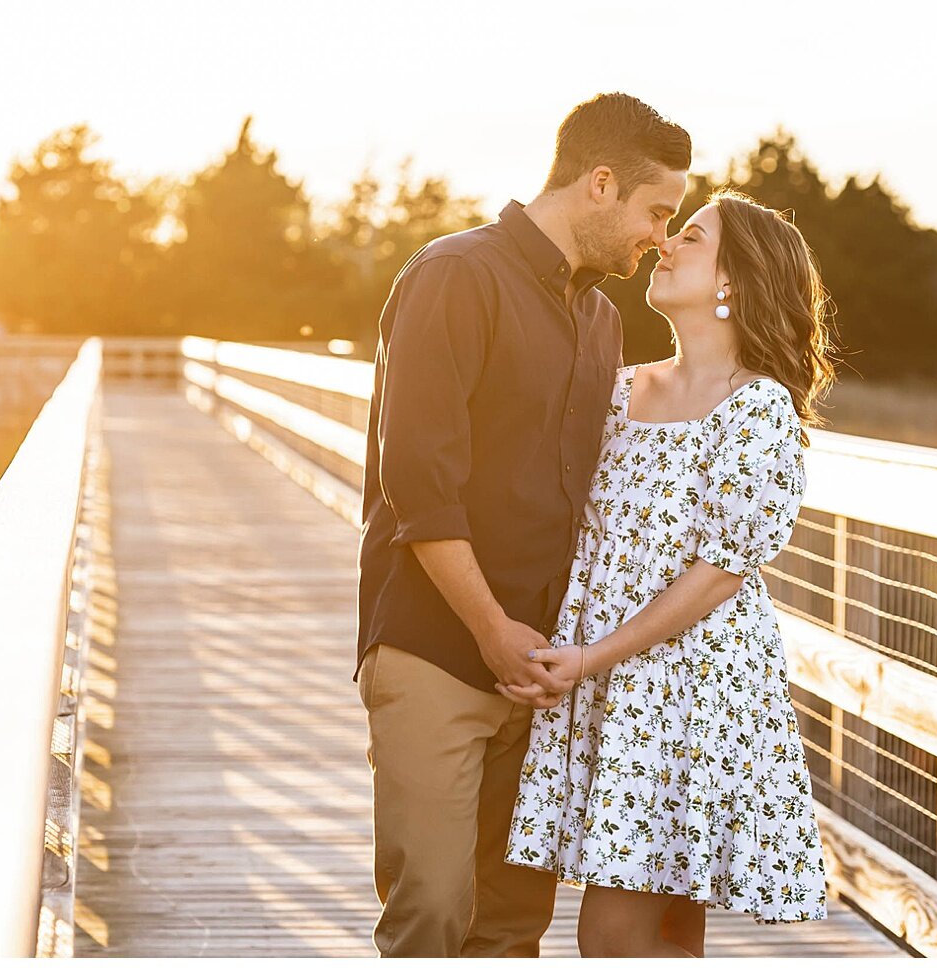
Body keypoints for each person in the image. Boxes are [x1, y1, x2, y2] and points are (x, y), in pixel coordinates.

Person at [354, 93, 692, 957]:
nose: (661, 237)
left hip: (544, 672)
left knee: (511, 927)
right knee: (431, 907)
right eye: (658, 213)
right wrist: (491, 630)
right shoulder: (455, 274)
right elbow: (420, 485)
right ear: (600, 183)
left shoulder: (602, 319)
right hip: (438, 647)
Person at [499, 189, 840, 957]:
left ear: (735, 281)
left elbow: (722, 570)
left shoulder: (757, 409)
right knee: (662, 910)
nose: (665, 245)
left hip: (690, 681)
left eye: (691, 236)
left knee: (622, 915)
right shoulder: (621, 387)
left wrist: (594, 657)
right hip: (604, 678)